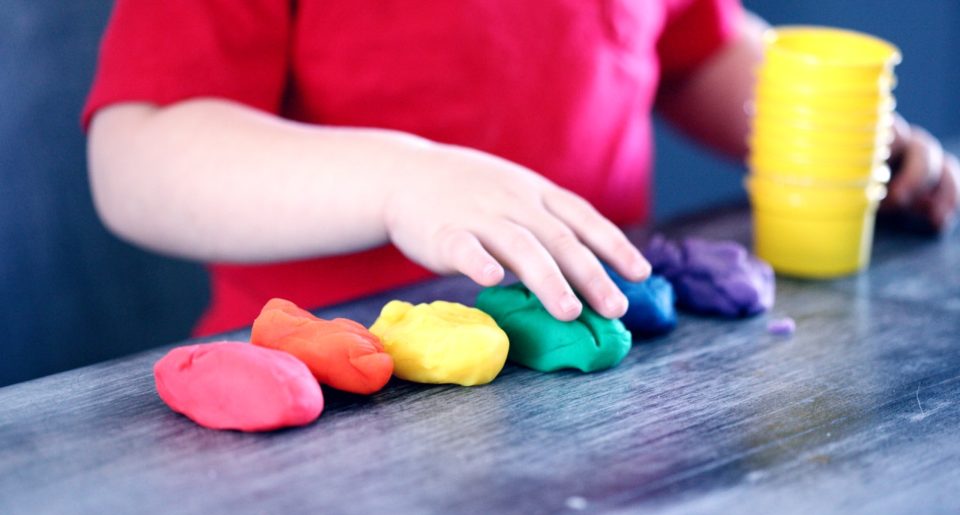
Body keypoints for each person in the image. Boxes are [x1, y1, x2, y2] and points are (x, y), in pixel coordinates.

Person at [84, 1, 959, 336]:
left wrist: (844, 139)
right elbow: (140, 153)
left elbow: (693, 52)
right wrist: (400, 182)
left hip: (603, 373)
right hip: (325, 390)